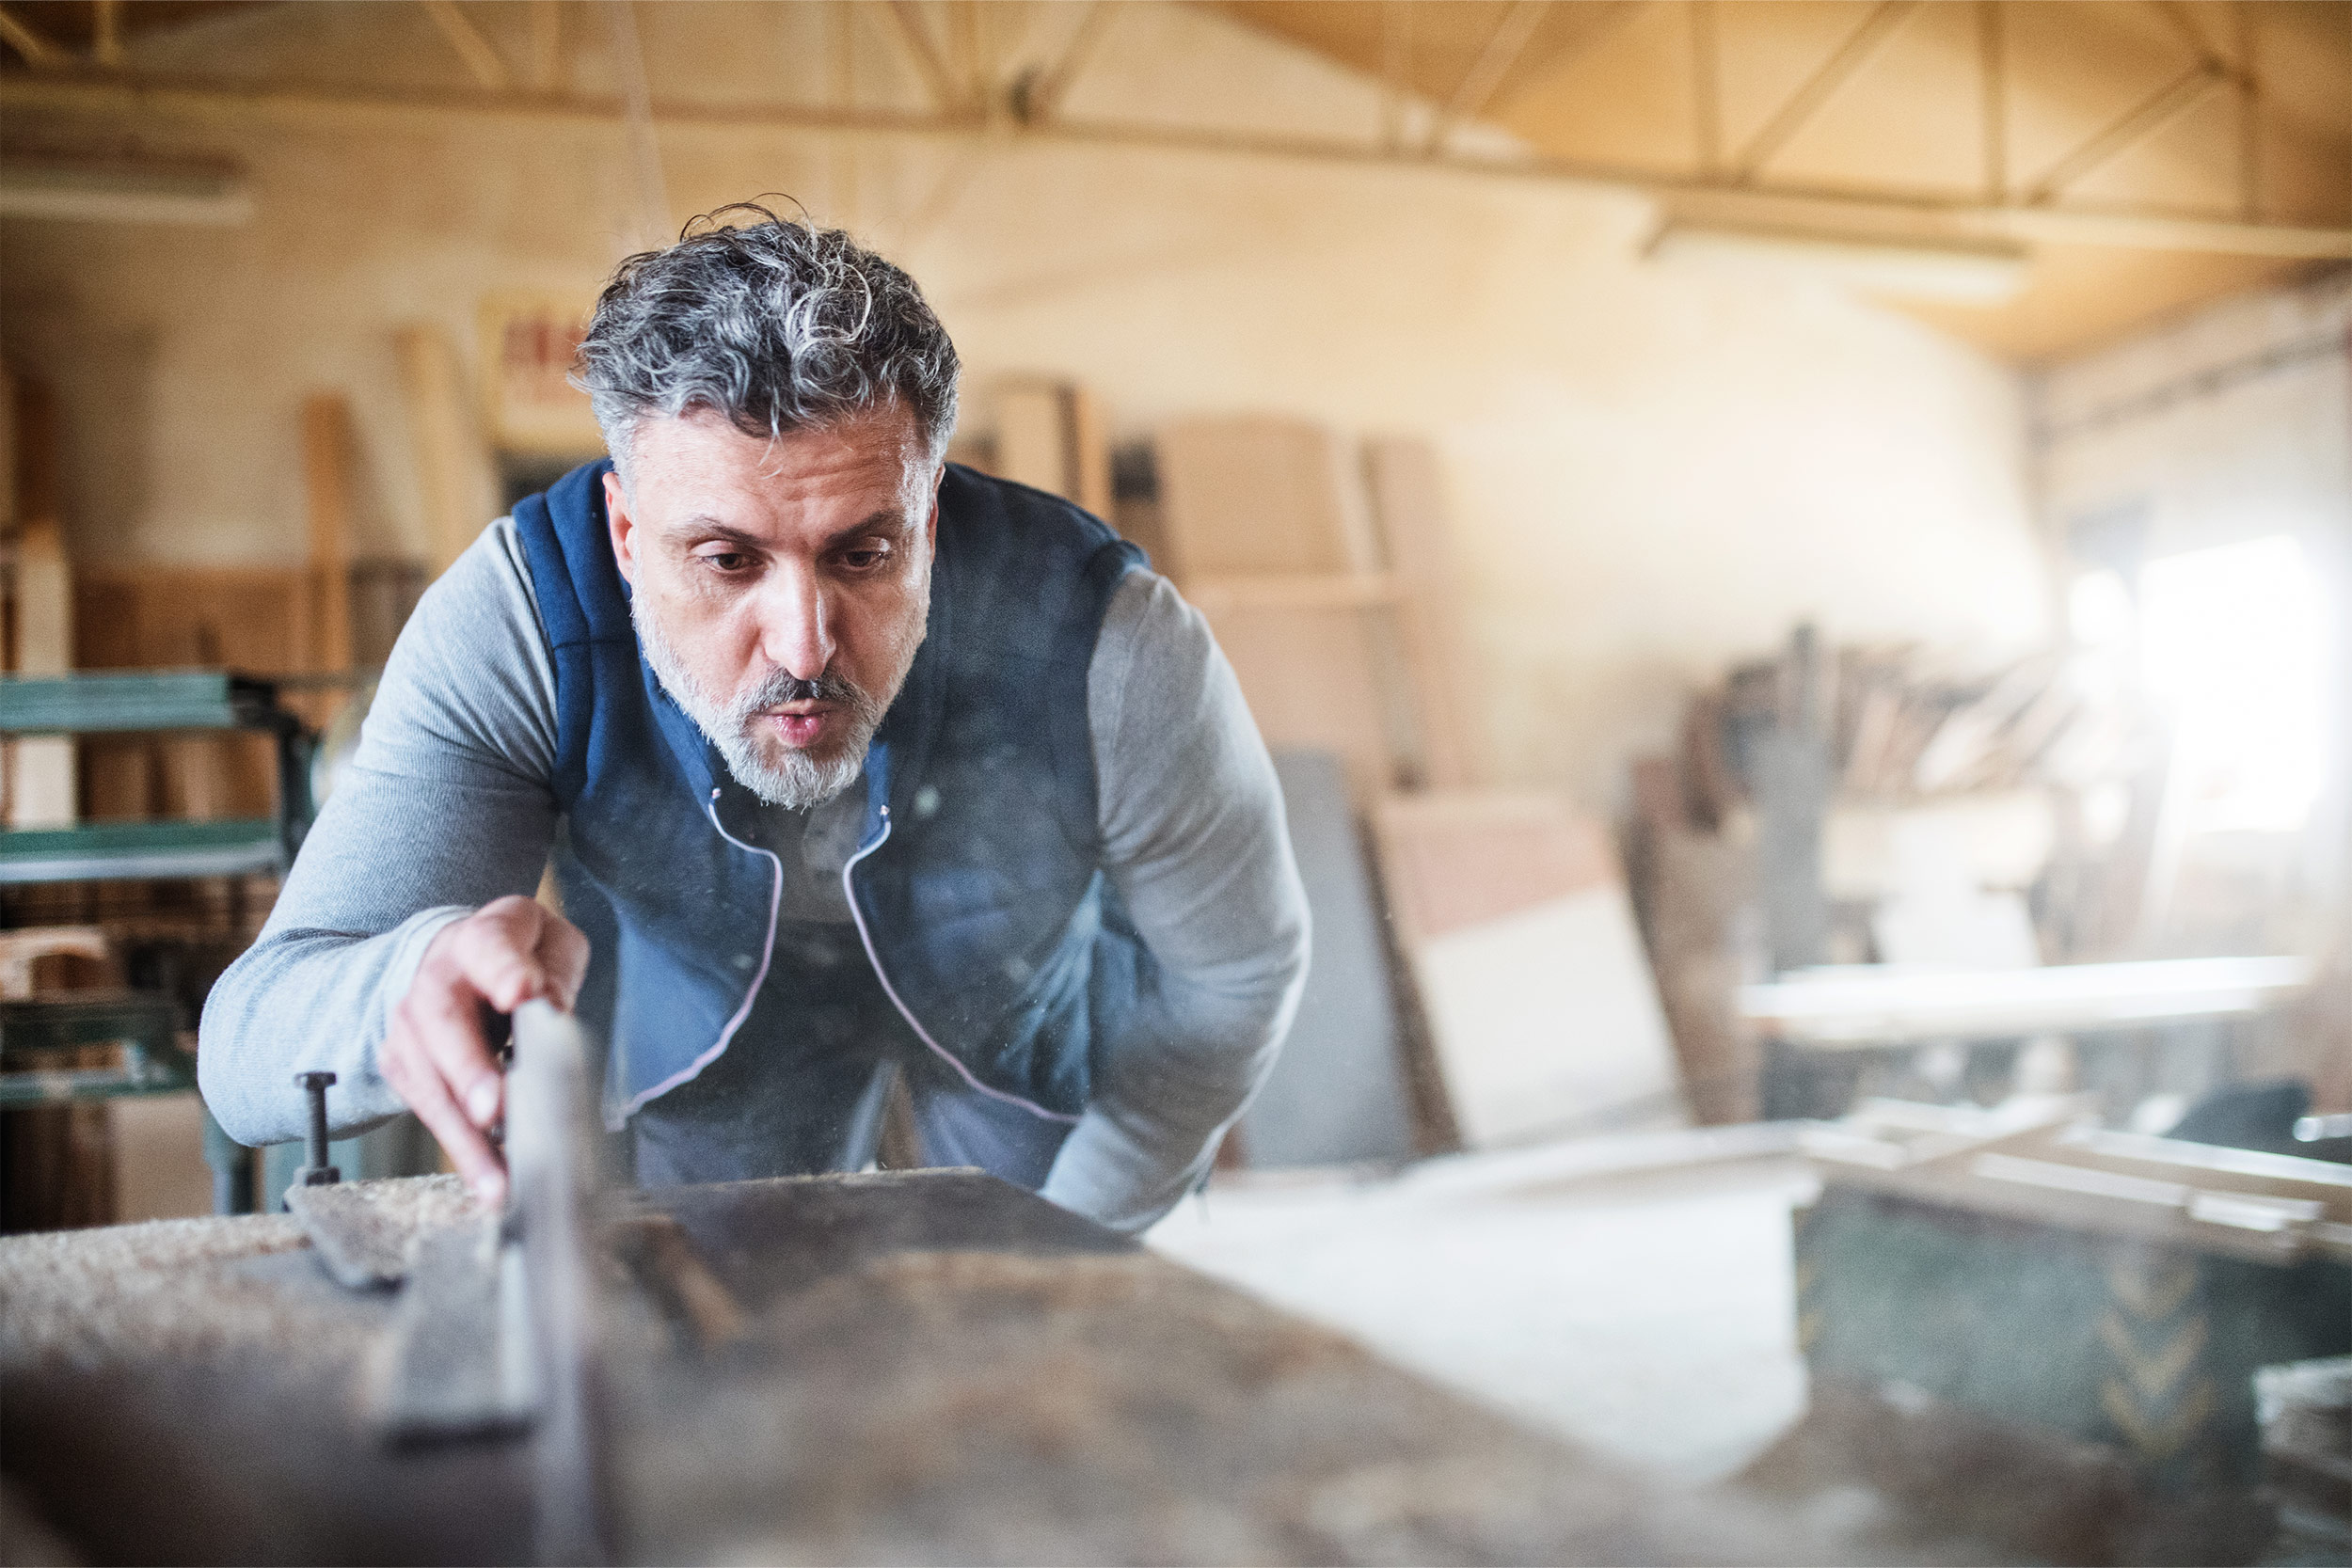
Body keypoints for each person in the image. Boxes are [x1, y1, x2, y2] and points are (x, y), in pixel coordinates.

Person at [199, 208, 1309, 1232]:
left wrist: (1087, 1243)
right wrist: (401, 979)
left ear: (929, 520)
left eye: (862, 554)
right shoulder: (521, 622)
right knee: (723, 1309)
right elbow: (245, 1049)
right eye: (727, 560)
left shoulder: (1110, 640)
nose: (804, 645)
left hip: (1017, 1017)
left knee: (1038, 1337)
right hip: (701, 1030)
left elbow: (1236, 972)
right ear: (627, 535)